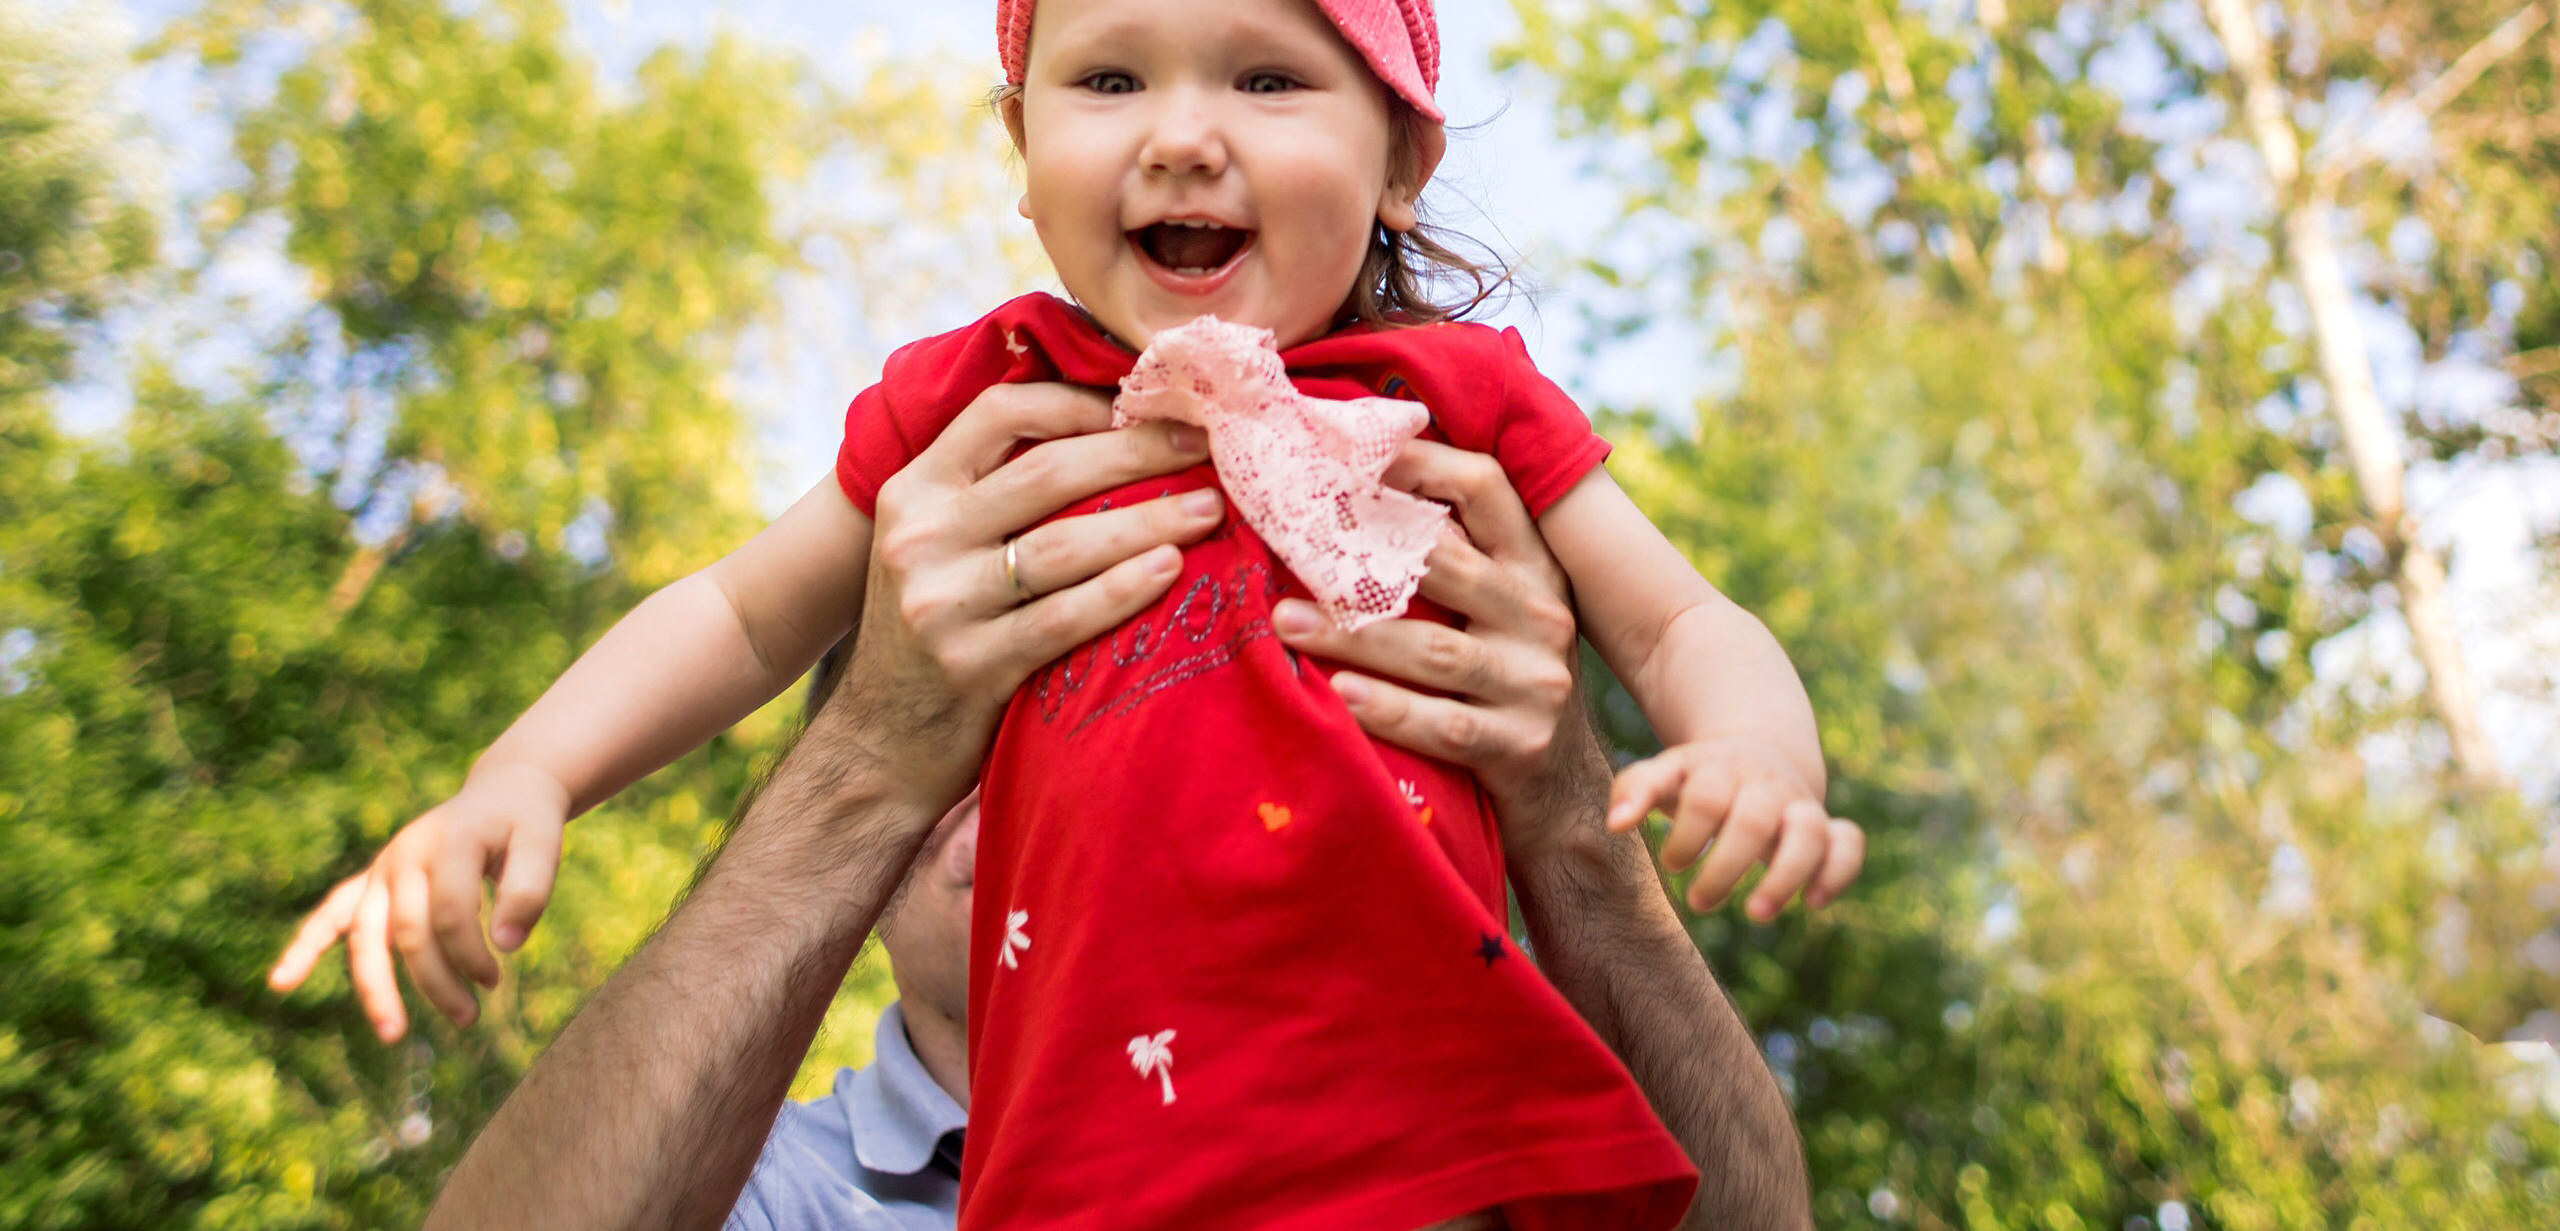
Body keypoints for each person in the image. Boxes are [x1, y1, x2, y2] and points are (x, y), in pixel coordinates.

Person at [278, 0, 1865, 1229]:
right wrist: (526, 772)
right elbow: (743, 610)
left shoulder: (1453, 403)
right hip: (1083, 1162)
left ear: (1400, 154)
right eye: (1109, 78)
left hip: (1425, 1143)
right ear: (1020, 147)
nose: (1183, 132)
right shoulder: (981, 406)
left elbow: (1678, 617)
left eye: (1267, 77)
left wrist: (1752, 756)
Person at [420, 425, 1813, 1231]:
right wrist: (531, 768)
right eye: (969, 716)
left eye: (1078, 718)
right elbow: (735, 614)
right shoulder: (777, 1188)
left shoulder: (1423, 1131)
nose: (1018, 789)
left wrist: (1577, 809)